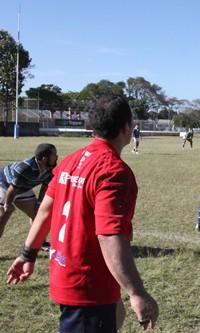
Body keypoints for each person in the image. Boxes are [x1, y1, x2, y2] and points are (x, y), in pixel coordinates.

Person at [6, 96, 159, 332]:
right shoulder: (114, 171)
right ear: (127, 127)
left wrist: (28, 254)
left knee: (117, 313)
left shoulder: (70, 161)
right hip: (88, 287)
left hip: (68, 276)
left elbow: (46, 209)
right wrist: (137, 292)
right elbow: (109, 235)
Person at [0, 143, 58, 248]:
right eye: (54, 154)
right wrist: (7, 204)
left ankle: (40, 243)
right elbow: (12, 189)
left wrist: (39, 203)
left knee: (38, 214)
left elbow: (45, 187)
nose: (56, 156)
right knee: (2, 217)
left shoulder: (51, 168)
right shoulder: (25, 168)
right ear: (44, 158)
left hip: (22, 188)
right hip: (4, 185)